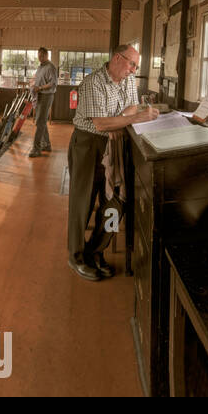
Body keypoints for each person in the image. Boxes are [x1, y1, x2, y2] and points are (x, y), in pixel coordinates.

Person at [67, 44, 157, 281]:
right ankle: (75, 256)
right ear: (118, 58)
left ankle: (95, 250)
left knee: (116, 202)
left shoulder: (127, 79)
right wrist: (123, 121)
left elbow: (131, 106)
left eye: (135, 66)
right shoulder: (93, 83)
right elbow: (100, 124)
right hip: (88, 144)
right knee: (83, 202)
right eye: (131, 64)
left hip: (114, 144)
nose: (133, 70)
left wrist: (118, 122)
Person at [28, 47, 58, 158]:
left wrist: (40, 87)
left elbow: (53, 83)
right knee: (42, 121)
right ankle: (47, 145)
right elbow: (38, 78)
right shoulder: (40, 67)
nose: (39, 58)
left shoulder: (51, 67)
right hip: (40, 95)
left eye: (41, 56)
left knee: (39, 122)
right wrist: (33, 82)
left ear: (46, 55)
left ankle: (36, 149)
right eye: (38, 55)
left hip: (46, 96)